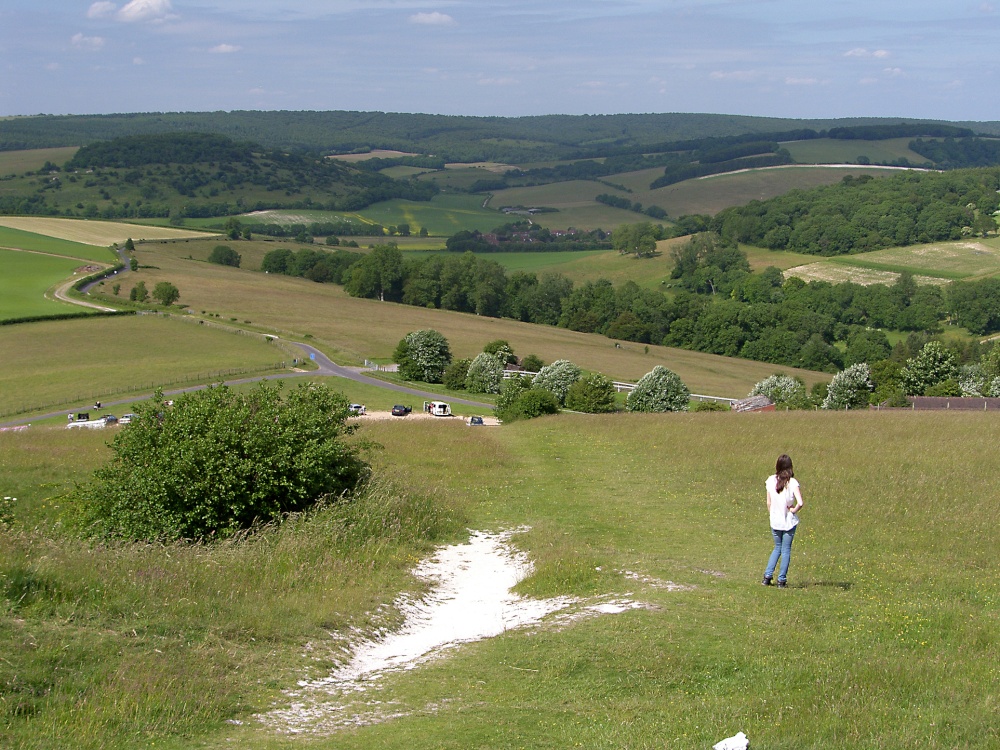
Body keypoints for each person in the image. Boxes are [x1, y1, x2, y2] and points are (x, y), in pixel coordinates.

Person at [762, 454, 804, 588]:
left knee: (777, 548)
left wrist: (772, 515)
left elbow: (768, 503)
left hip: (775, 521)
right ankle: (781, 580)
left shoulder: (770, 480)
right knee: (786, 550)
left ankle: (767, 577)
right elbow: (800, 503)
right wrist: (793, 510)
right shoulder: (792, 483)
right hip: (788, 522)